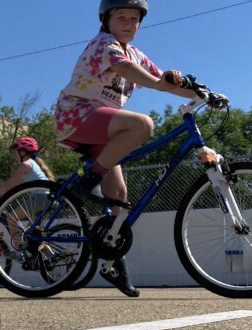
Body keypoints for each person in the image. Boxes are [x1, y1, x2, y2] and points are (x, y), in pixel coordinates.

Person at [52, 0, 196, 297]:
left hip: (104, 127)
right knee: (142, 125)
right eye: (121, 18)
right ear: (106, 20)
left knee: (118, 195)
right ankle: (86, 180)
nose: (128, 24)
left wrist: (204, 92)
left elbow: (162, 82)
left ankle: (112, 263)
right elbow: (127, 69)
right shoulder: (105, 44)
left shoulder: (136, 53)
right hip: (77, 116)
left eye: (134, 19)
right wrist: (158, 83)